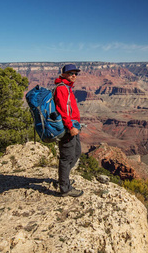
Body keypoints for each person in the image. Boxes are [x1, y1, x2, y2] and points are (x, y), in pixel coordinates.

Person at [53, 64, 84, 197]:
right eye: (71, 73)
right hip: (67, 128)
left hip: (74, 125)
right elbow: (62, 111)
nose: (74, 75)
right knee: (66, 158)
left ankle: (63, 179)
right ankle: (64, 188)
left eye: (76, 73)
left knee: (76, 153)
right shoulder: (62, 89)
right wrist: (70, 127)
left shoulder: (67, 87)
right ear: (64, 74)